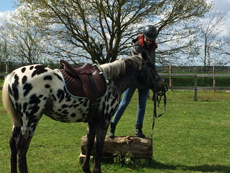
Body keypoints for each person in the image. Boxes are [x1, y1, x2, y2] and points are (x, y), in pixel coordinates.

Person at [108, 25, 163, 138]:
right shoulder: (136, 47)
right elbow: (138, 64)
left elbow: (152, 66)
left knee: (142, 105)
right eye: (148, 39)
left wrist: (157, 78)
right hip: (133, 80)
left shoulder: (152, 48)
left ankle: (138, 129)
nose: (149, 42)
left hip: (145, 81)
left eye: (151, 40)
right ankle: (112, 127)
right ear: (143, 36)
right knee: (124, 103)